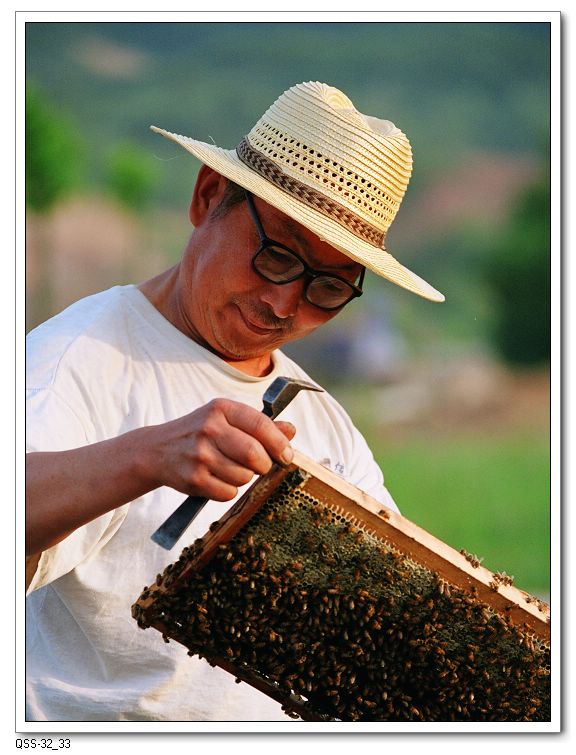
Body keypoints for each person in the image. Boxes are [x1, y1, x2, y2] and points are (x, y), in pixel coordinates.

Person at [25, 80, 444, 722]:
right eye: (276, 256)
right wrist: (144, 457)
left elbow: (393, 616)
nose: (284, 303)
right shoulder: (77, 359)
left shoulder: (323, 418)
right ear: (208, 196)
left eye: (328, 287)